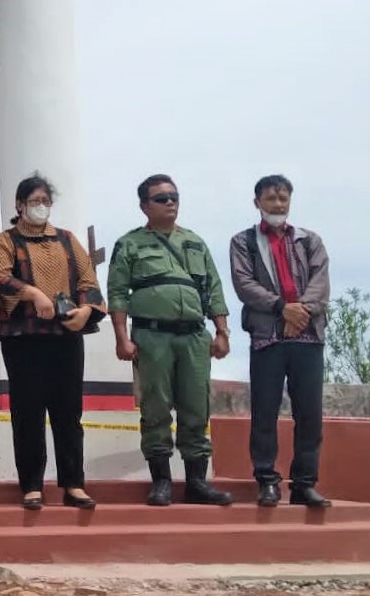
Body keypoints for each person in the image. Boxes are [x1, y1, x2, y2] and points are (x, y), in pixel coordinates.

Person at [107, 174, 233, 507]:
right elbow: (117, 292)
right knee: (156, 406)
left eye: (174, 196)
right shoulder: (131, 244)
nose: (170, 202)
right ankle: (161, 480)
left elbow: (213, 289)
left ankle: (196, 482)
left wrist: (222, 332)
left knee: (196, 407)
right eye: (161, 198)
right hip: (152, 336)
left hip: (193, 336)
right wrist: (122, 338)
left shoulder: (194, 242)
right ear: (144, 206)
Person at [0, 174, 107, 510]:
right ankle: (32, 485)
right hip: (24, 337)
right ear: (19, 205)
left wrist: (87, 310)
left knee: (69, 411)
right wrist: (33, 293)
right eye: (34, 201)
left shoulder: (67, 240)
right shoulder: (6, 240)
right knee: (28, 411)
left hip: (65, 336)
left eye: (45, 202)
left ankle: (74, 484)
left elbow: (88, 279)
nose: (41, 207)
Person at [229, 174, 332, 508]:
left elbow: (320, 283)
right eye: (271, 199)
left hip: (308, 336)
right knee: (265, 412)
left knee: (310, 414)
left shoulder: (309, 240)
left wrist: (300, 311)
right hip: (267, 338)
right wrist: (281, 309)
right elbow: (244, 284)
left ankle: (304, 483)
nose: (278, 205)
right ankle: (267, 480)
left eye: (283, 199)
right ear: (257, 202)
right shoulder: (243, 242)